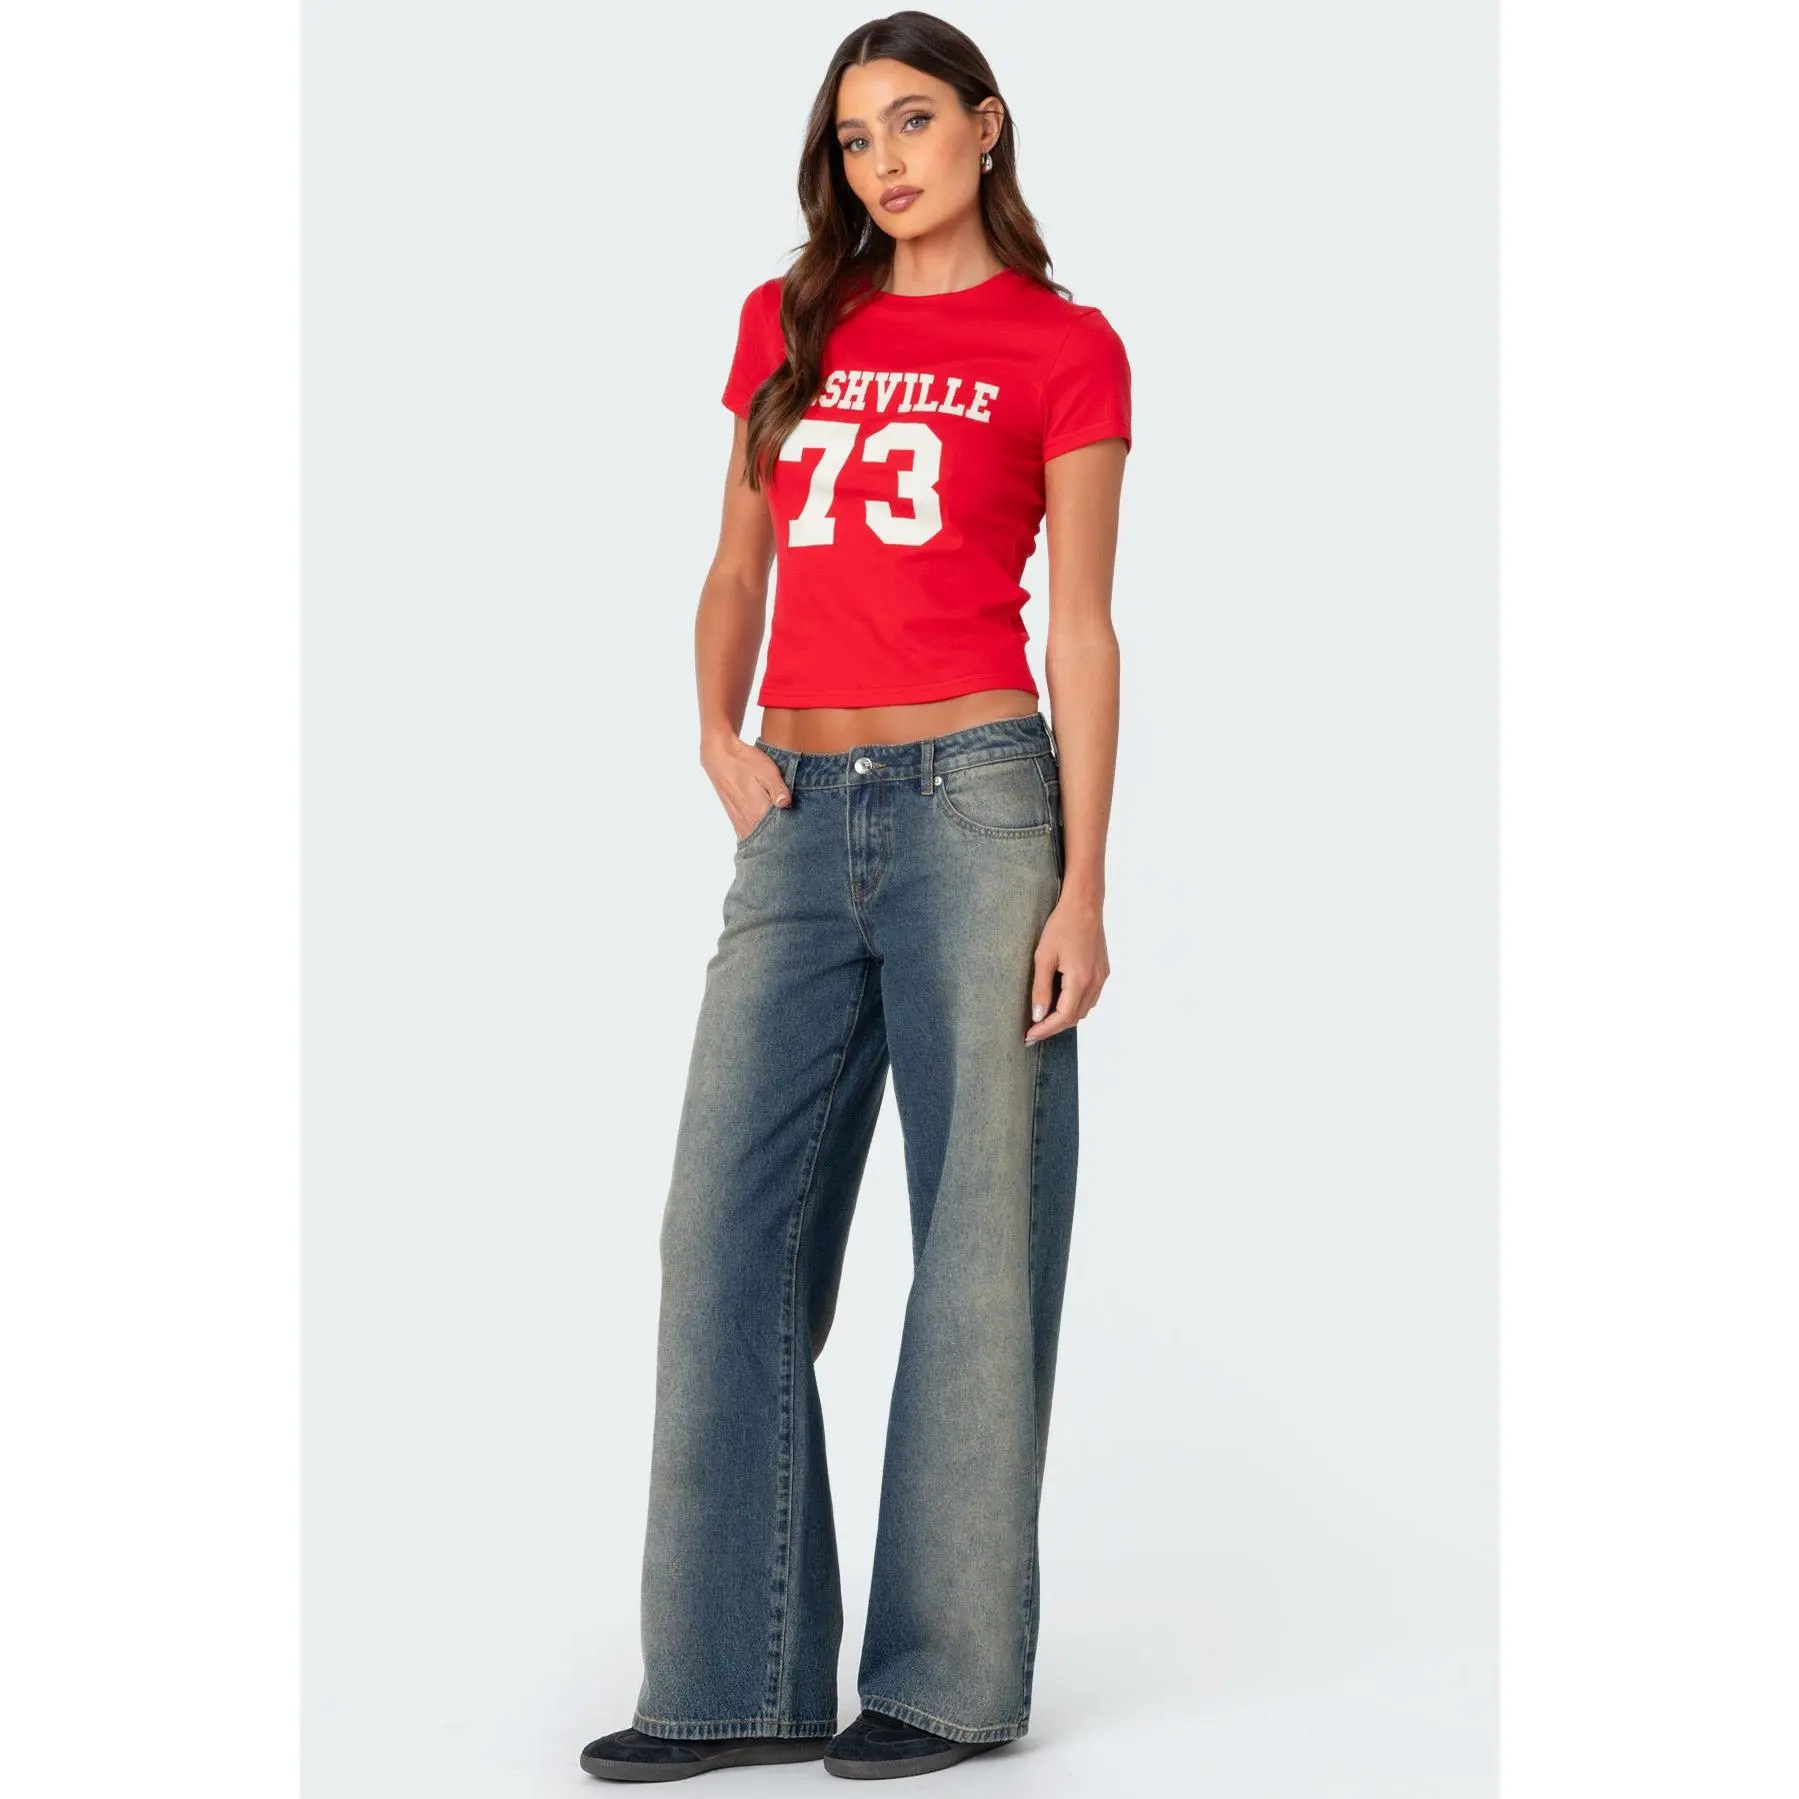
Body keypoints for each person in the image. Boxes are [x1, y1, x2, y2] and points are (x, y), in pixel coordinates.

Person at [580, 9, 1129, 1783]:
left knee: (974, 1245)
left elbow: (1083, 629)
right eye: (851, 137)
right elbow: (734, 561)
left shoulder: (1063, 347)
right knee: (722, 1235)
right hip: (798, 816)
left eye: (910, 121)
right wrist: (716, 734)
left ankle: (944, 1683)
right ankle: (729, 1679)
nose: (882, 160)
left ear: (985, 125)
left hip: (982, 804)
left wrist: (1083, 887)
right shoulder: (791, 319)